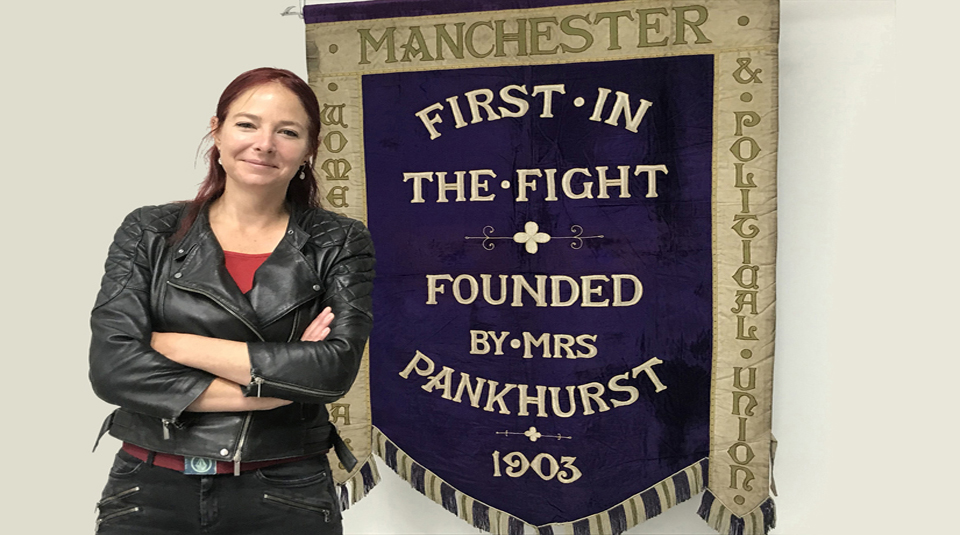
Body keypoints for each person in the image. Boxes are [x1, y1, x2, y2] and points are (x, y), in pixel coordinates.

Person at [88, 67, 374, 534]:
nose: (264, 143)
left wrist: (175, 346)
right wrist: (273, 388)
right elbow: (113, 368)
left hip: (286, 492)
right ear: (216, 133)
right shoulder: (148, 230)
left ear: (308, 150)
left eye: (287, 132)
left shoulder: (338, 240)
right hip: (148, 489)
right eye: (247, 124)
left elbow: (332, 371)